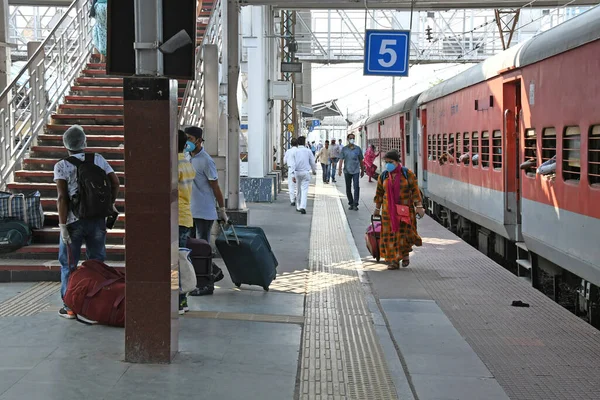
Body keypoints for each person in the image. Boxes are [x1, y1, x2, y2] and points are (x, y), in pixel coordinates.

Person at [54, 125, 119, 319]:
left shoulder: (62, 165)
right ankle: (94, 305)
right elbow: (115, 182)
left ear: (66, 145)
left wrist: (63, 225)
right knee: (96, 263)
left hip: (73, 222)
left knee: (69, 265)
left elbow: (62, 198)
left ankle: (70, 307)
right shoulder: (98, 159)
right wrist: (110, 204)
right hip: (97, 219)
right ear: (85, 142)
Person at [185, 126, 228, 296]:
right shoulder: (187, 157)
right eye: (186, 138)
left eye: (190, 138)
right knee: (193, 248)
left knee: (202, 248)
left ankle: (207, 284)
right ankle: (212, 272)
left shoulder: (206, 160)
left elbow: (215, 186)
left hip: (204, 211)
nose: (187, 141)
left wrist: (222, 209)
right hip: (190, 211)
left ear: (198, 140)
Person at [373, 150, 424, 269]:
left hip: (405, 211)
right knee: (389, 235)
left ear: (397, 162)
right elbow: (379, 193)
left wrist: (419, 206)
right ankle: (393, 261)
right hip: (388, 212)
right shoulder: (384, 176)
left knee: (404, 234)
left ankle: (404, 254)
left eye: (390, 162)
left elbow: (415, 191)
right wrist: (377, 208)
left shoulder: (408, 174)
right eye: (386, 162)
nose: (387, 165)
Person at [177, 130, 196, 314]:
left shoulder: (175, 164)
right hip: (185, 216)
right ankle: (182, 300)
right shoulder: (187, 162)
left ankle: (178, 299)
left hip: (176, 217)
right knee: (181, 259)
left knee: (175, 262)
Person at [338, 133, 365, 211]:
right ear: (347, 139)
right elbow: (341, 160)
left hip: (356, 171)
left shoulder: (358, 149)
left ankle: (355, 204)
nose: (352, 139)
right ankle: (351, 202)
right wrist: (339, 169)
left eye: (353, 138)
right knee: (348, 187)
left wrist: (362, 170)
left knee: (356, 187)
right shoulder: (344, 149)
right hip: (347, 171)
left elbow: (361, 160)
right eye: (350, 138)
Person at [290, 136, 316, 215]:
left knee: (298, 190)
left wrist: (292, 175)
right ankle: (303, 207)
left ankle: (298, 206)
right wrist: (314, 171)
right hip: (305, 172)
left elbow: (292, 164)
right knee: (304, 190)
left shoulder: (295, 152)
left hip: (297, 173)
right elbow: (312, 162)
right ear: (304, 142)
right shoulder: (308, 151)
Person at [283, 138, 299, 206]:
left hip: (290, 169)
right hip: (298, 170)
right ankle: (298, 199)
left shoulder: (288, 151)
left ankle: (292, 200)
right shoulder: (299, 151)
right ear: (297, 144)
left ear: (291, 144)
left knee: (291, 185)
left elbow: (284, 161)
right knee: (298, 185)